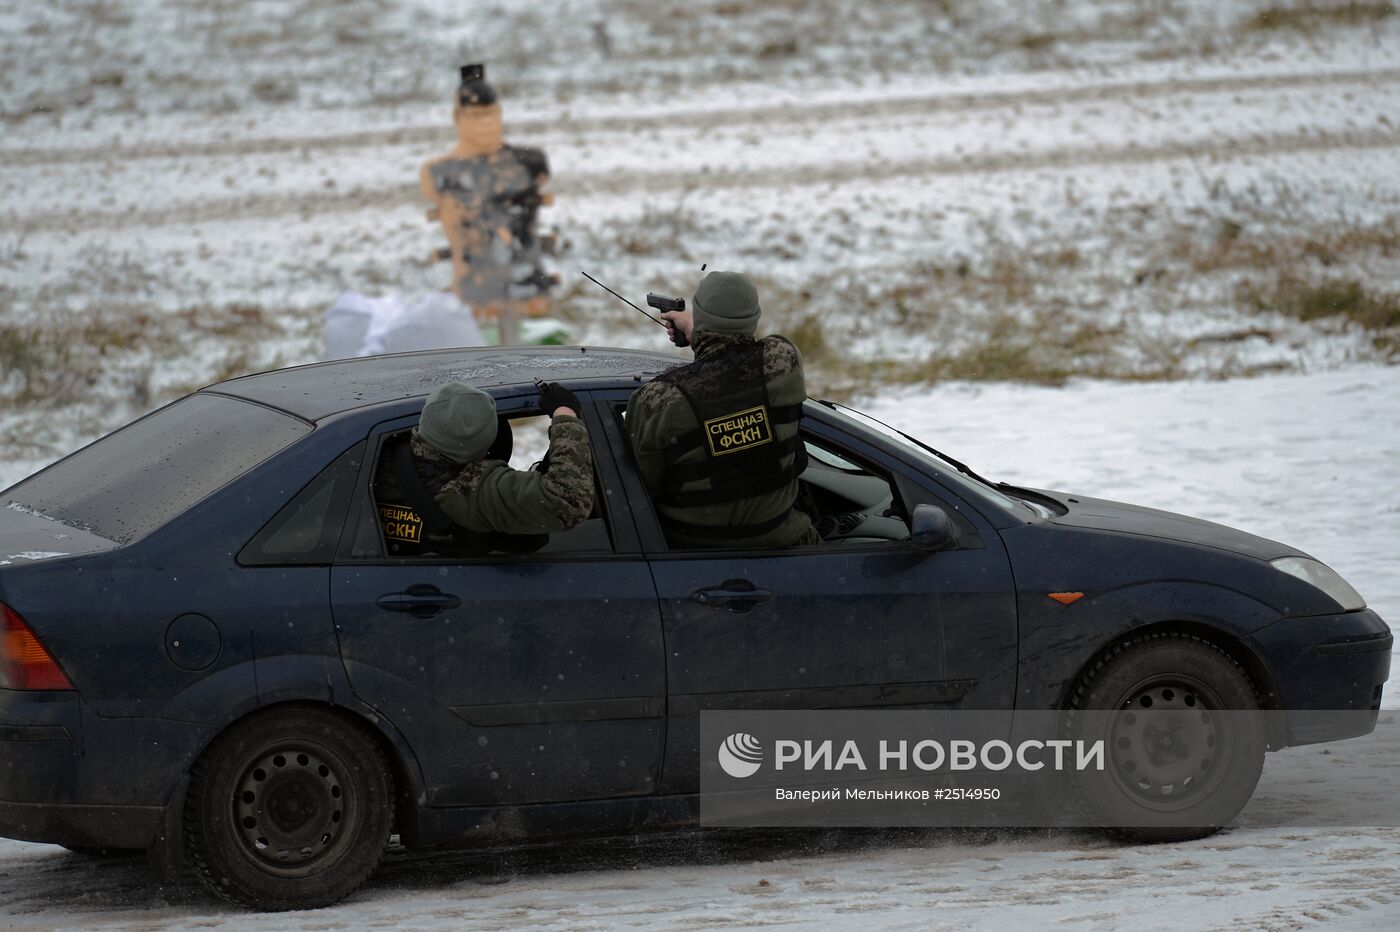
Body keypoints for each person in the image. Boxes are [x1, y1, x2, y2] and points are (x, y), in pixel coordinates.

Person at [625, 271, 818, 549]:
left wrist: (701, 331)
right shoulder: (784, 362)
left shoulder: (658, 399)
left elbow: (639, 489)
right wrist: (706, 330)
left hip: (694, 558)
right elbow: (741, 358)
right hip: (785, 545)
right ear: (754, 317)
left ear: (700, 318)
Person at [373, 381, 592, 555]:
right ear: (487, 441)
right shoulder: (470, 490)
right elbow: (568, 500)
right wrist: (565, 415)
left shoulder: (379, 456)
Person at [420, 64, 555, 345]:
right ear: (459, 119)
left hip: (525, 281)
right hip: (474, 286)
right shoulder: (439, 172)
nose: (486, 123)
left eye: (491, 114)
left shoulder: (529, 161)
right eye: (476, 116)